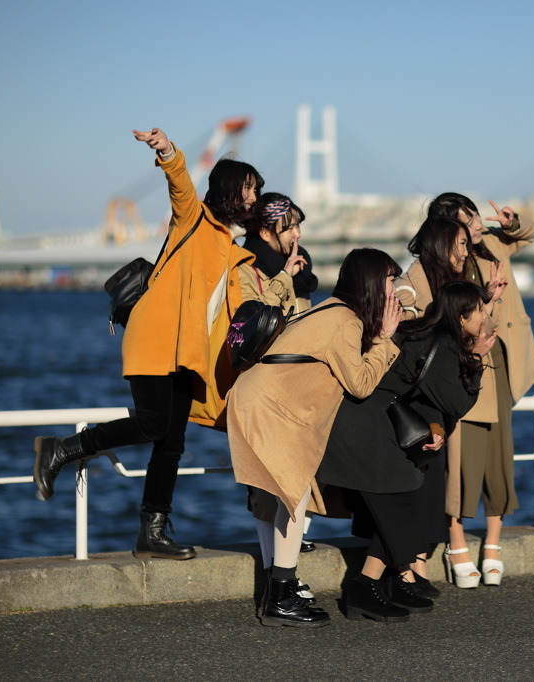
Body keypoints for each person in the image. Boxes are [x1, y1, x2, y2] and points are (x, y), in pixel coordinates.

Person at [33, 128, 261, 560]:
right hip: (155, 339)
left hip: (186, 352)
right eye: (248, 189)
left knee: (170, 444)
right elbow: (180, 183)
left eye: (257, 191)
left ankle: (152, 532)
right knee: (155, 426)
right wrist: (169, 152)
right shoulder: (193, 218)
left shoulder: (234, 250)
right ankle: (62, 448)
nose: (253, 198)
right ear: (229, 190)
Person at [226, 248, 402, 627]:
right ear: (372, 282)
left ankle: (281, 586)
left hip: (259, 400)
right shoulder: (346, 322)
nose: (395, 288)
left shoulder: (332, 309)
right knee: (294, 496)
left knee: (285, 497)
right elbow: (360, 384)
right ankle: (281, 596)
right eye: (390, 279)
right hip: (272, 408)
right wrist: (386, 339)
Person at [319, 281, 495, 622]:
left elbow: (421, 393)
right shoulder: (444, 344)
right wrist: (476, 359)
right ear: (462, 318)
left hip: (364, 422)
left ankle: (386, 582)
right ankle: (364, 587)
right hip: (363, 431)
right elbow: (456, 403)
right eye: (481, 311)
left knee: (405, 499)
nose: (486, 317)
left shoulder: (422, 333)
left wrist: (435, 427)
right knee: (405, 500)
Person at [425, 193, 534, 588]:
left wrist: (512, 223)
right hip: (465, 364)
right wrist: (487, 301)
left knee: (499, 452)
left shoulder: (491, 243)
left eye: (474, 216)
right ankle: (455, 539)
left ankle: (493, 540)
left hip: (501, 359)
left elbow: (528, 235)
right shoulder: (444, 265)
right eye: (467, 221)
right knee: (460, 455)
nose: (476, 225)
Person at [394, 214, 506, 588]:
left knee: (429, 486)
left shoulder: (457, 283)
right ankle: (411, 567)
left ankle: (417, 566)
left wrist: (483, 303)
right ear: (442, 245)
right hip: (416, 403)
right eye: (459, 243)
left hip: (433, 402)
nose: (465, 251)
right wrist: (472, 355)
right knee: (417, 486)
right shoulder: (411, 287)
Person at [237, 192, 320, 601]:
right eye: (289, 227)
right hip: (265, 385)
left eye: (298, 226)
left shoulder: (295, 267)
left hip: (297, 384)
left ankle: (281, 573)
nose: (297, 234)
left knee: (292, 482)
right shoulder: (247, 266)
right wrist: (285, 277)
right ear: (267, 230)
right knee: (266, 486)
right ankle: (276, 576)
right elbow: (253, 319)